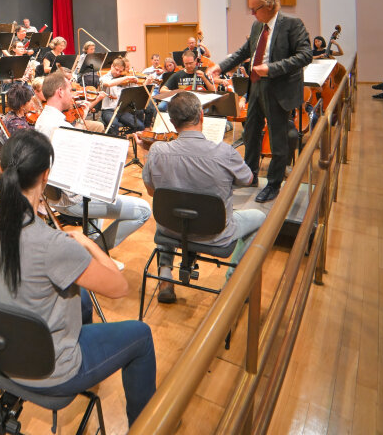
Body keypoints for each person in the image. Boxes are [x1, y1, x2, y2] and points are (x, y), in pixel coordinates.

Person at [0, 129, 156, 426]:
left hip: (0, 353)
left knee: (82, 296)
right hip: (50, 371)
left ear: (1, 169)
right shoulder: (53, 244)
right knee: (141, 335)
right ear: (45, 176)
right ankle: (147, 427)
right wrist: (87, 243)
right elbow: (119, 287)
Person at [142, 92, 266, 303]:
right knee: (260, 218)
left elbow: (153, 192)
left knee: (171, 208)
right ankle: (234, 282)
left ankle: (165, 275)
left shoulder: (156, 151)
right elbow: (247, 179)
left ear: (172, 122)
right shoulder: (225, 152)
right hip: (215, 235)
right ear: (201, 116)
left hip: (170, 229)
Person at [208, 0, 313, 203]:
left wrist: (271, 68)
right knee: (251, 133)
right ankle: (250, 175)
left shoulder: (292, 24)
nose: (252, 14)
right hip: (255, 86)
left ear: (269, 6)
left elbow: (305, 55)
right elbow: (244, 52)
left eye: (254, 9)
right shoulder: (258, 25)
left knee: (278, 139)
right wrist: (221, 66)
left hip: (278, 89)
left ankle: (274, 184)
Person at [34, 71, 151, 250]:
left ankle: (91, 248)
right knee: (143, 210)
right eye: (70, 90)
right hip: (72, 199)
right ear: (60, 92)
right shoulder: (60, 127)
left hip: (54, 196)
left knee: (99, 194)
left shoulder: (43, 120)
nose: (73, 94)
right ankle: (95, 251)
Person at [98, 58, 144, 131]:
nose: (118, 73)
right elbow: (109, 84)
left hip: (122, 111)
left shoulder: (125, 79)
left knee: (140, 126)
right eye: (116, 69)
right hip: (108, 111)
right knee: (114, 125)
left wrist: (145, 82)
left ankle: (126, 138)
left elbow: (137, 91)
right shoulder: (104, 78)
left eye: (120, 71)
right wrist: (126, 78)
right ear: (112, 66)